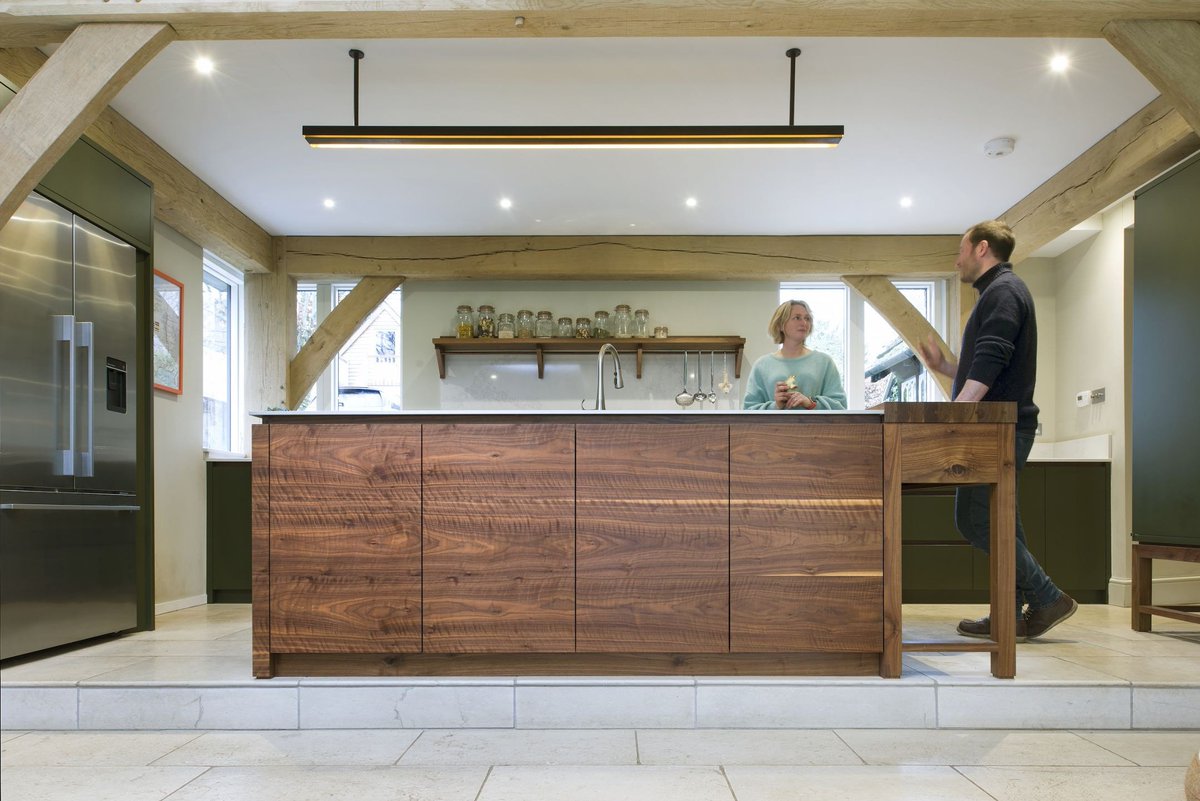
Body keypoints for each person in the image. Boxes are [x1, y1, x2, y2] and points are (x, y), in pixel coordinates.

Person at [918, 219, 1076, 642]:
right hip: (1001, 426)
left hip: (994, 429)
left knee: (975, 520)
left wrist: (956, 417)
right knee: (1001, 520)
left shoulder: (1003, 291)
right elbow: (989, 362)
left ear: (982, 248)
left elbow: (993, 356)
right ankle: (1014, 612)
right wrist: (946, 368)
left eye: (961, 250)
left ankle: (1046, 596)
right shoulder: (1001, 292)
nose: (957, 259)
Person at [743, 300, 847, 411]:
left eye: (807, 318)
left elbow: (840, 406)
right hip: (775, 428)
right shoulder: (762, 365)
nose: (804, 323)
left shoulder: (825, 362)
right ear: (780, 325)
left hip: (815, 428)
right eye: (797, 318)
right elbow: (748, 410)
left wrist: (810, 403)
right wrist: (776, 405)